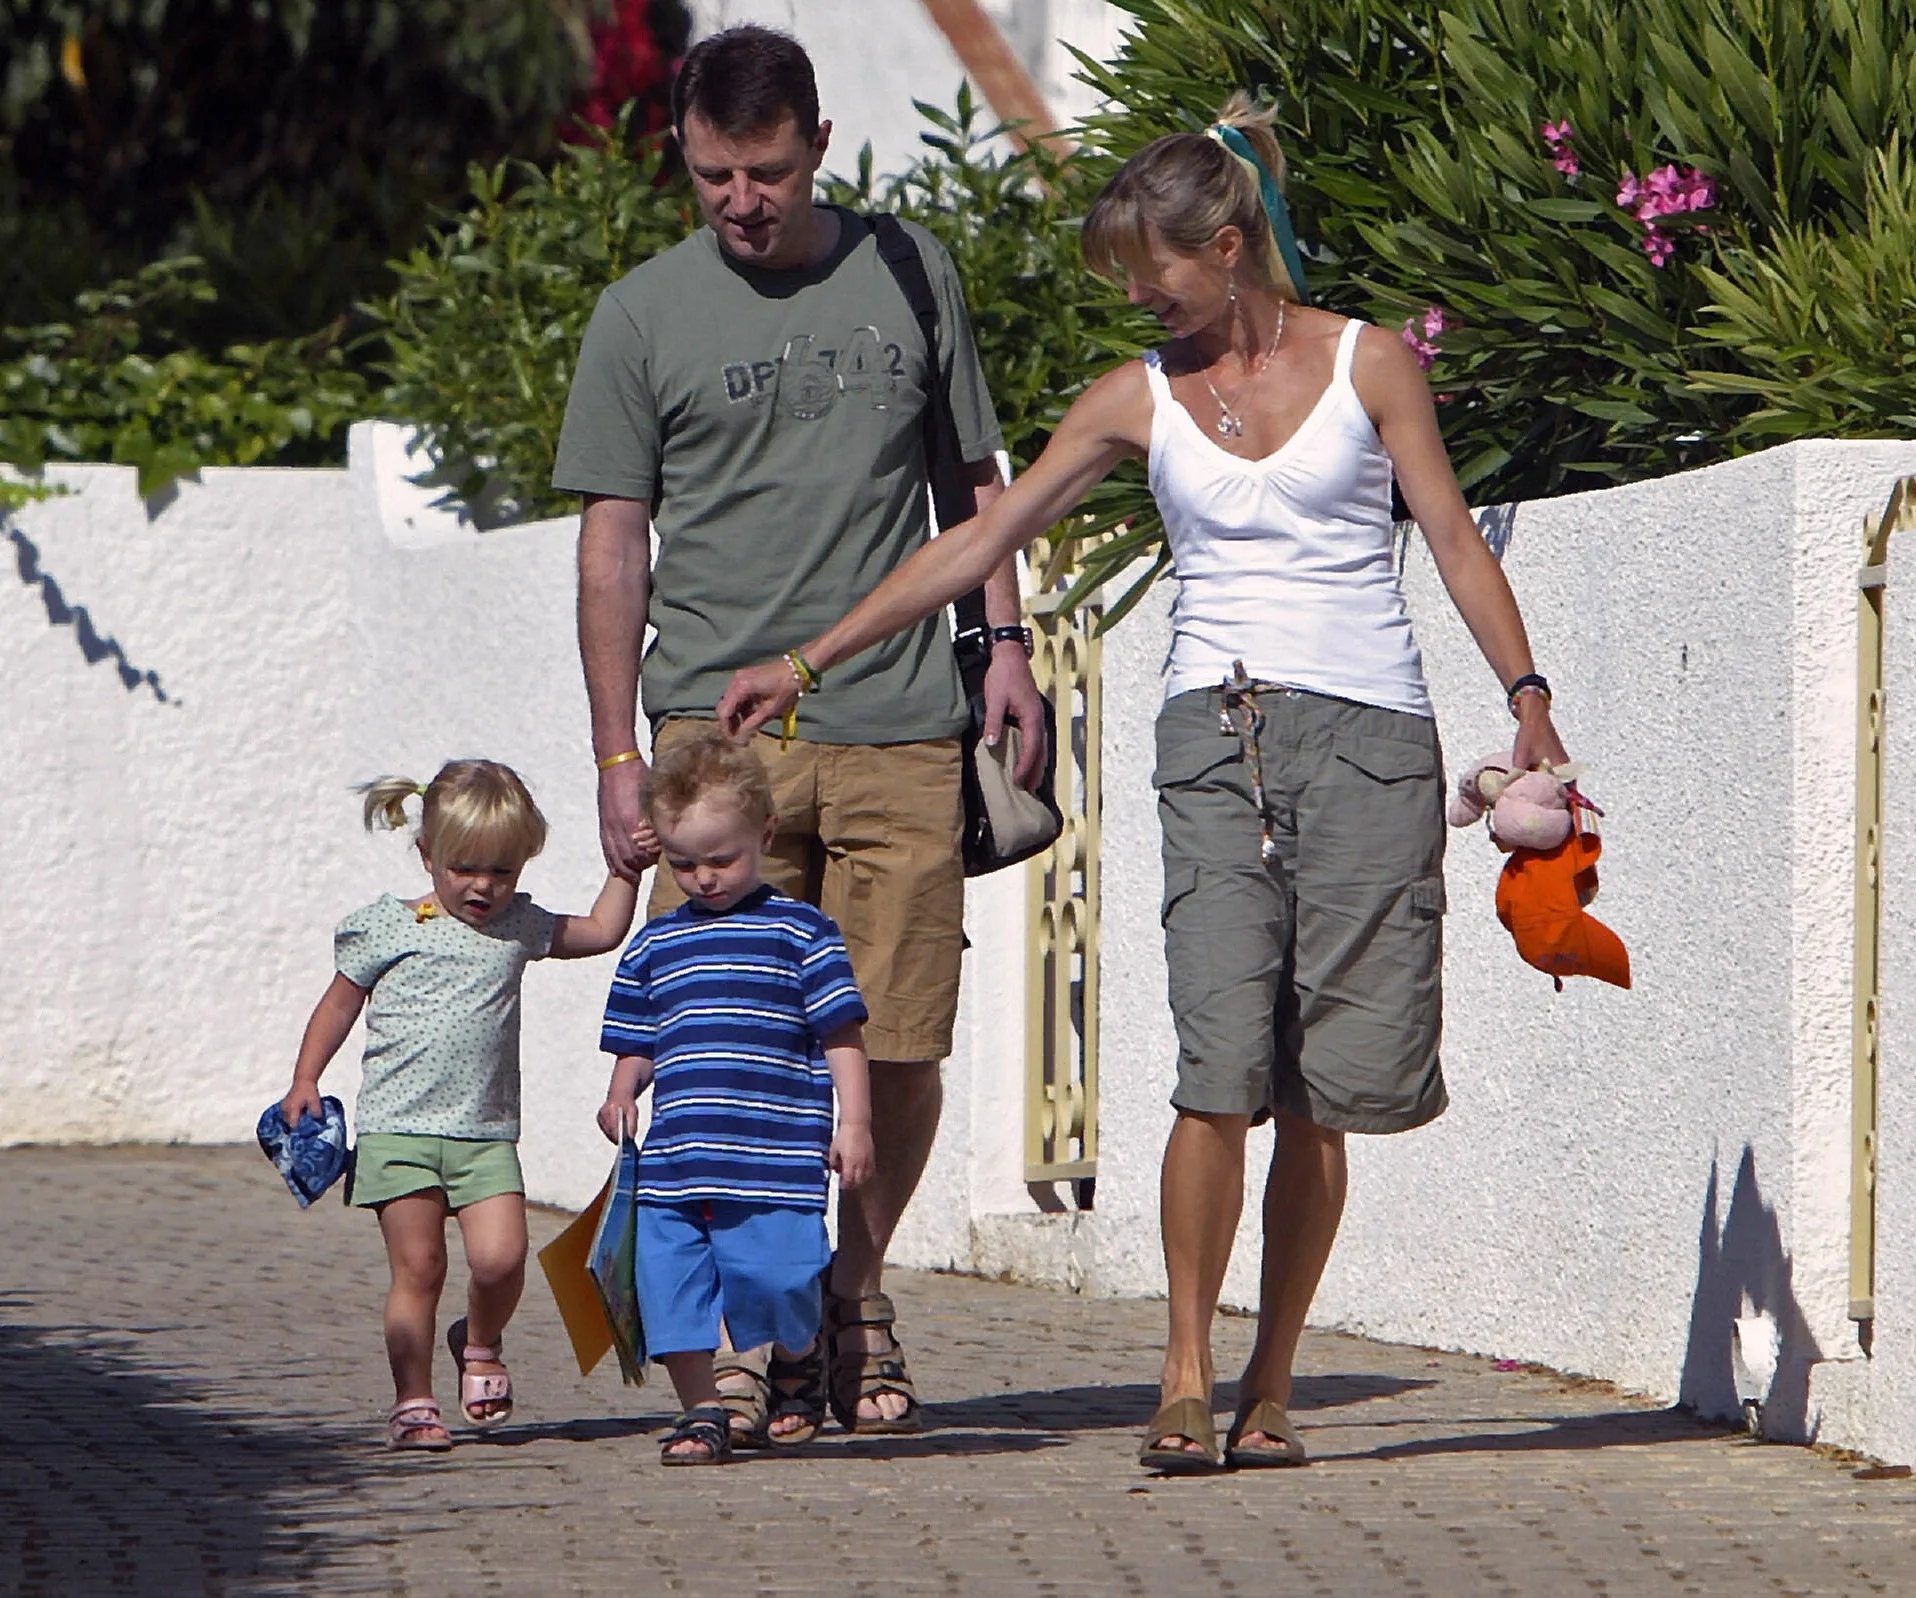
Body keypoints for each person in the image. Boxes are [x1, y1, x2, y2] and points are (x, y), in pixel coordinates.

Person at [716, 95, 1572, 1474]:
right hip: (1211, 739)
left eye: (1150, 269)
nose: (1136, 295)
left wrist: (1528, 699)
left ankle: (1273, 1377)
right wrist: (810, 655)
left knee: (1319, 1086)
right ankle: (1183, 1367)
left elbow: (1457, 542)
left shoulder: (1370, 364)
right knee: (1216, 1063)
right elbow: (981, 533)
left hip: (1368, 739)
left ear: (1228, 246)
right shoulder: (1135, 396)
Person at [552, 23, 1046, 1439]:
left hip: (901, 717)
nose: (741, 203)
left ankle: (856, 1292)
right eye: (714, 176)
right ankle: (762, 1327)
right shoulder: (640, 315)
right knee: (732, 1049)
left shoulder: (909, 267)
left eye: (765, 172)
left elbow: (974, 478)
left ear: (820, 146)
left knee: (895, 1041)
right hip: (714, 743)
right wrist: (613, 756)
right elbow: (611, 547)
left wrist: (1002, 646)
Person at [278, 760, 638, 1452]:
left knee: (503, 1259)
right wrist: (305, 1079)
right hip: (398, 1131)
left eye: (502, 872)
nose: (483, 887)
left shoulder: (520, 926)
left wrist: (628, 867)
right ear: (427, 856)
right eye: (465, 868)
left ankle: (478, 1344)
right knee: (420, 1270)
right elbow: (338, 1006)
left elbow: (599, 930)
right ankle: (413, 1402)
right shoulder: (386, 927)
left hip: (484, 1136)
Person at [596, 728, 875, 1464]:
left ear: (766, 833)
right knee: (671, 1295)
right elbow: (639, 1037)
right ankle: (703, 1411)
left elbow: (842, 1033)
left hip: (775, 1161)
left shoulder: (804, 934)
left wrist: (856, 1122)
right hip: (675, 1166)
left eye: (723, 858)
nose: (704, 877)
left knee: (781, 1279)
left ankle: (798, 1351)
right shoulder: (656, 944)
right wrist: (622, 1091)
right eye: (684, 862)